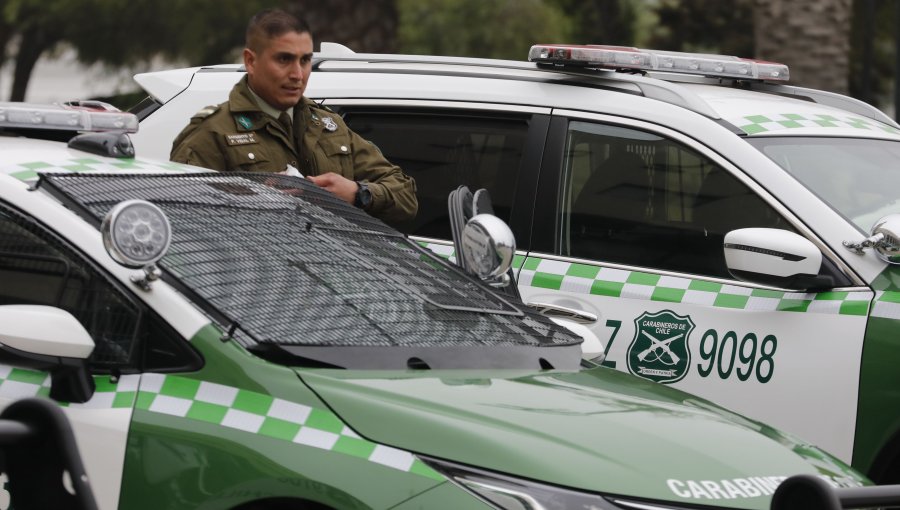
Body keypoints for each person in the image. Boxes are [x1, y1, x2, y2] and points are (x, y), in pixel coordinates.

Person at [170, 8, 417, 225]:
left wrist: (358, 194)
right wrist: (253, 197)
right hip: (258, 273)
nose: (297, 74)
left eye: (305, 60)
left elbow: (406, 196)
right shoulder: (212, 132)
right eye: (284, 59)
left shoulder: (328, 125)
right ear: (251, 61)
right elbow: (178, 215)